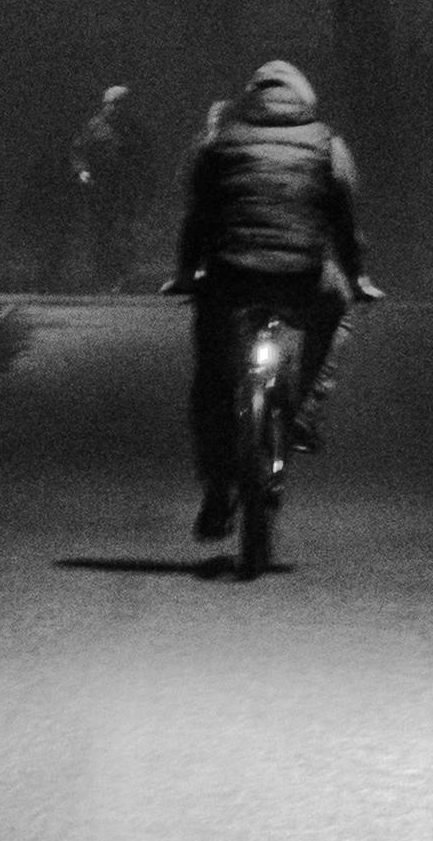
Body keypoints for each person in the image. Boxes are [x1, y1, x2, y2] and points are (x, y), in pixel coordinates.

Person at [168, 55, 373, 541]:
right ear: (303, 98)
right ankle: (303, 412)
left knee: (212, 378)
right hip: (299, 274)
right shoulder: (327, 142)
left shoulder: (219, 140)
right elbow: (343, 217)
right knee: (337, 311)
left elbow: (198, 214)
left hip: (231, 275)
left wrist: (186, 273)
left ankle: (217, 491)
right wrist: (357, 276)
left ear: (251, 97)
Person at [68, 78, 141, 290]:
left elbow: (144, 157)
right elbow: (78, 151)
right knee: (101, 232)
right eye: (112, 104)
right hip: (100, 188)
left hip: (125, 189)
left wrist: (143, 183)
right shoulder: (94, 126)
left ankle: (121, 275)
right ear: (105, 104)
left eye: (121, 104)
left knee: (124, 232)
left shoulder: (133, 129)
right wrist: (82, 170)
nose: (116, 108)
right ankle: (102, 274)